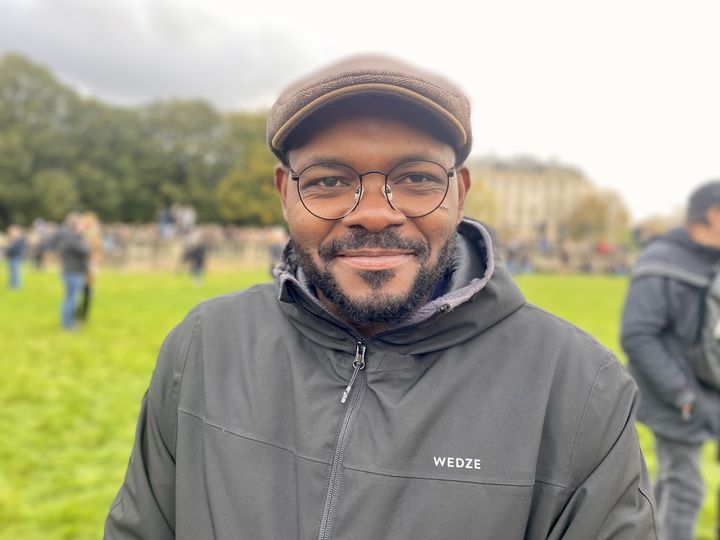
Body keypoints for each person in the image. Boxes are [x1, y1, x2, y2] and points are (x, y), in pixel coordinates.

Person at [106, 55, 657, 539]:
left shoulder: (581, 388)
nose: (373, 213)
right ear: (284, 193)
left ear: (459, 194)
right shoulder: (203, 347)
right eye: (328, 181)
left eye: (416, 178)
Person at [621, 181, 720, 540]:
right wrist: (681, 393)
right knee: (686, 488)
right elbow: (638, 335)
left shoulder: (708, 259)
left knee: (673, 482)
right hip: (676, 396)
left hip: (704, 389)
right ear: (712, 215)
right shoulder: (661, 261)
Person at [54, 212, 90, 330]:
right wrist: (83, 241)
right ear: (75, 224)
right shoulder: (70, 237)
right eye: (80, 224)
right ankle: (68, 324)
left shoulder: (70, 236)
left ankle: (68, 322)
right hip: (73, 271)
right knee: (71, 298)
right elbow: (84, 250)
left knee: (70, 297)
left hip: (73, 270)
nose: (82, 227)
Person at [5, 225, 26, 289]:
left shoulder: (19, 239)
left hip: (16, 256)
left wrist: (10, 245)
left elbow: (17, 249)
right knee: (12, 271)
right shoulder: (13, 239)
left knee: (15, 271)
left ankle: (17, 285)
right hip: (11, 257)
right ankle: (13, 283)